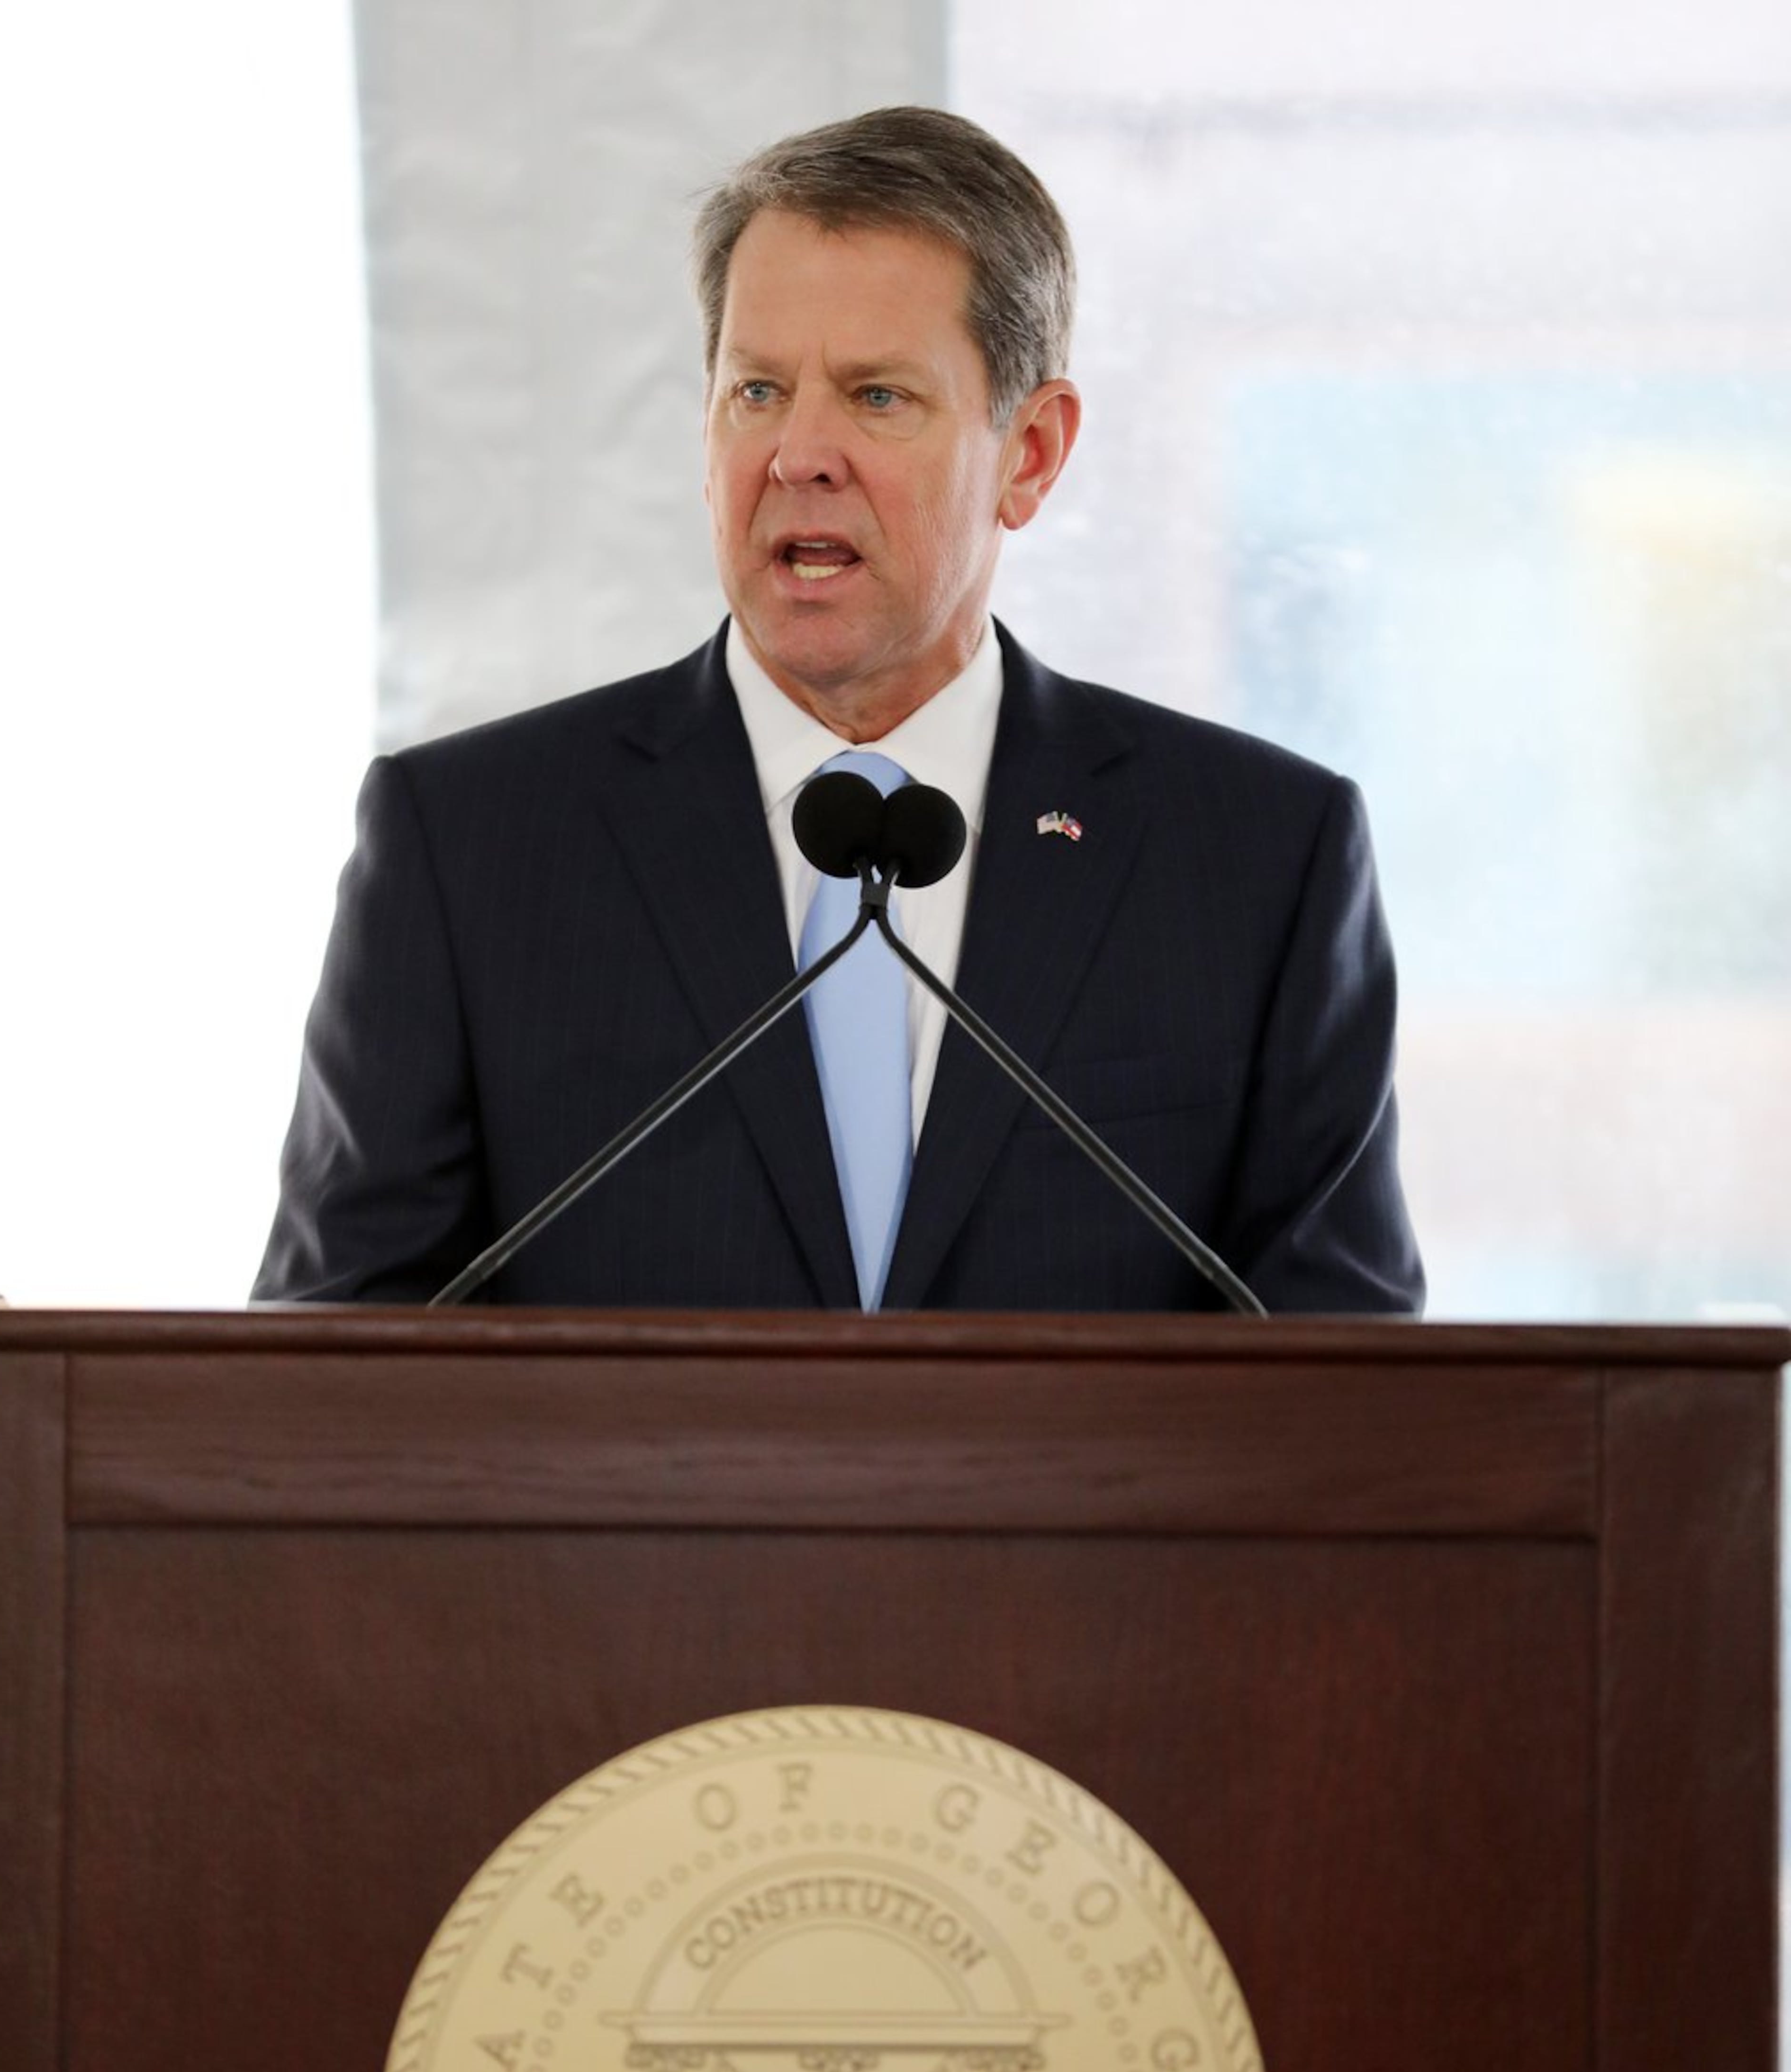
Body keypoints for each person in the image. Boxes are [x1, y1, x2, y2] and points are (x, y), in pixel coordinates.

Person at [253, 106, 1422, 1315]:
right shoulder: (472, 849)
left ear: (1029, 452)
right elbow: (328, 1377)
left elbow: (1355, 1409)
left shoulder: (1258, 861)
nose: (798, 454)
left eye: (875, 398)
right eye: (757, 390)